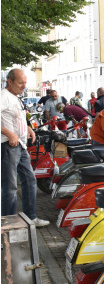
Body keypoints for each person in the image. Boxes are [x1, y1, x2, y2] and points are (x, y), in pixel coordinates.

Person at [1, 68, 50, 227]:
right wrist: (9, 133)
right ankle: (8, 225)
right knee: (10, 187)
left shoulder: (15, 97)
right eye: (21, 82)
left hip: (20, 146)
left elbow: (18, 117)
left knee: (30, 180)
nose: (24, 86)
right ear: (10, 82)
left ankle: (30, 217)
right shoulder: (3, 96)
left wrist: (28, 129)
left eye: (25, 83)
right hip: (8, 145)